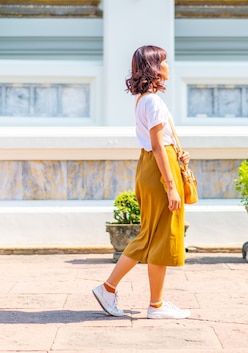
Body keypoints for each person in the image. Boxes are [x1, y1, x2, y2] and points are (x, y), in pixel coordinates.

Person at [92, 45, 191, 320]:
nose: (169, 66)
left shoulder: (145, 100)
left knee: (155, 236)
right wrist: (171, 184)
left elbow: (159, 144)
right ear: (155, 67)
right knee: (152, 235)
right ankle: (109, 288)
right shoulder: (153, 102)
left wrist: (176, 152)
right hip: (159, 169)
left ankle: (155, 304)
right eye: (165, 61)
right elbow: (158, 146)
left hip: (151, 166)